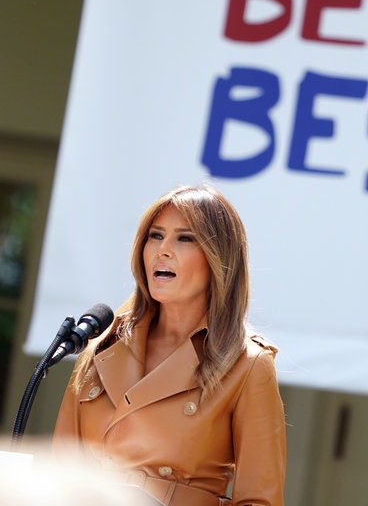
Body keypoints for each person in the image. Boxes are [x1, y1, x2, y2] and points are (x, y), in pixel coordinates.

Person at [54, 185, 286, 506]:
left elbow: (259, 501)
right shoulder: (102, 345)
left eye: (185, 238)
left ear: (219, 259)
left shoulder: (248, 364)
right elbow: (56, 475)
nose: (163, 250)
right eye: (155, 235)